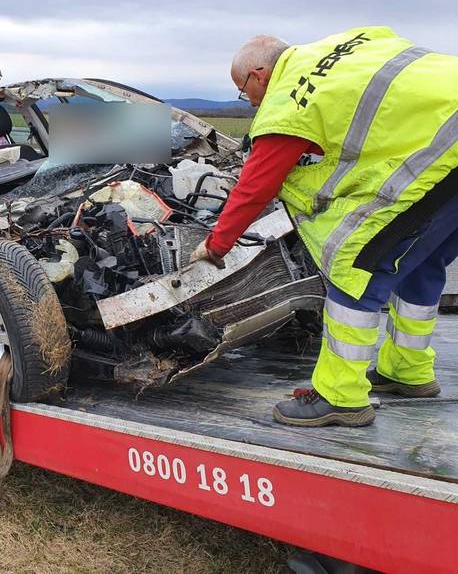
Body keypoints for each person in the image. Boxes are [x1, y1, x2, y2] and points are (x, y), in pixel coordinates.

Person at [190, 26, 458, 427]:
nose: (247, 102)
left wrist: (216, 244)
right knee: (422, 262)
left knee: (354, 266)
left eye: (243, 91)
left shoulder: (288, 100)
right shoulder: (348, 43)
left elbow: (255, 187)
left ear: (258, 76)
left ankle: (341, 398)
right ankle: (408, 371)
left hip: (442, 155)